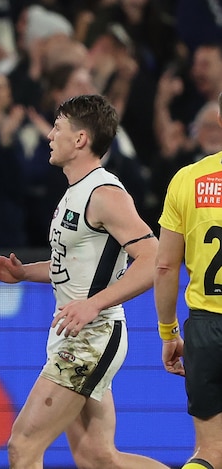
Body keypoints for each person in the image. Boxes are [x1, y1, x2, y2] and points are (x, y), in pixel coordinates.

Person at [0, 94, 167, 469]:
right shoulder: (76, 192)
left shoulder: (104, 194)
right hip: (78, 334)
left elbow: (153, 259)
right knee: (97, 458)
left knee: (23, 446)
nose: (50, 135)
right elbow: (73, 264)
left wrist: (93, 303)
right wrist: (22, 273)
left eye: (57, 127)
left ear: (80, 139)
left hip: (92, 337)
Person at [154, 94, 222, 469]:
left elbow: (165, 267)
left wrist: (169, 333)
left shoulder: (188, 179)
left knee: (210, 452)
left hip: (205, 331)